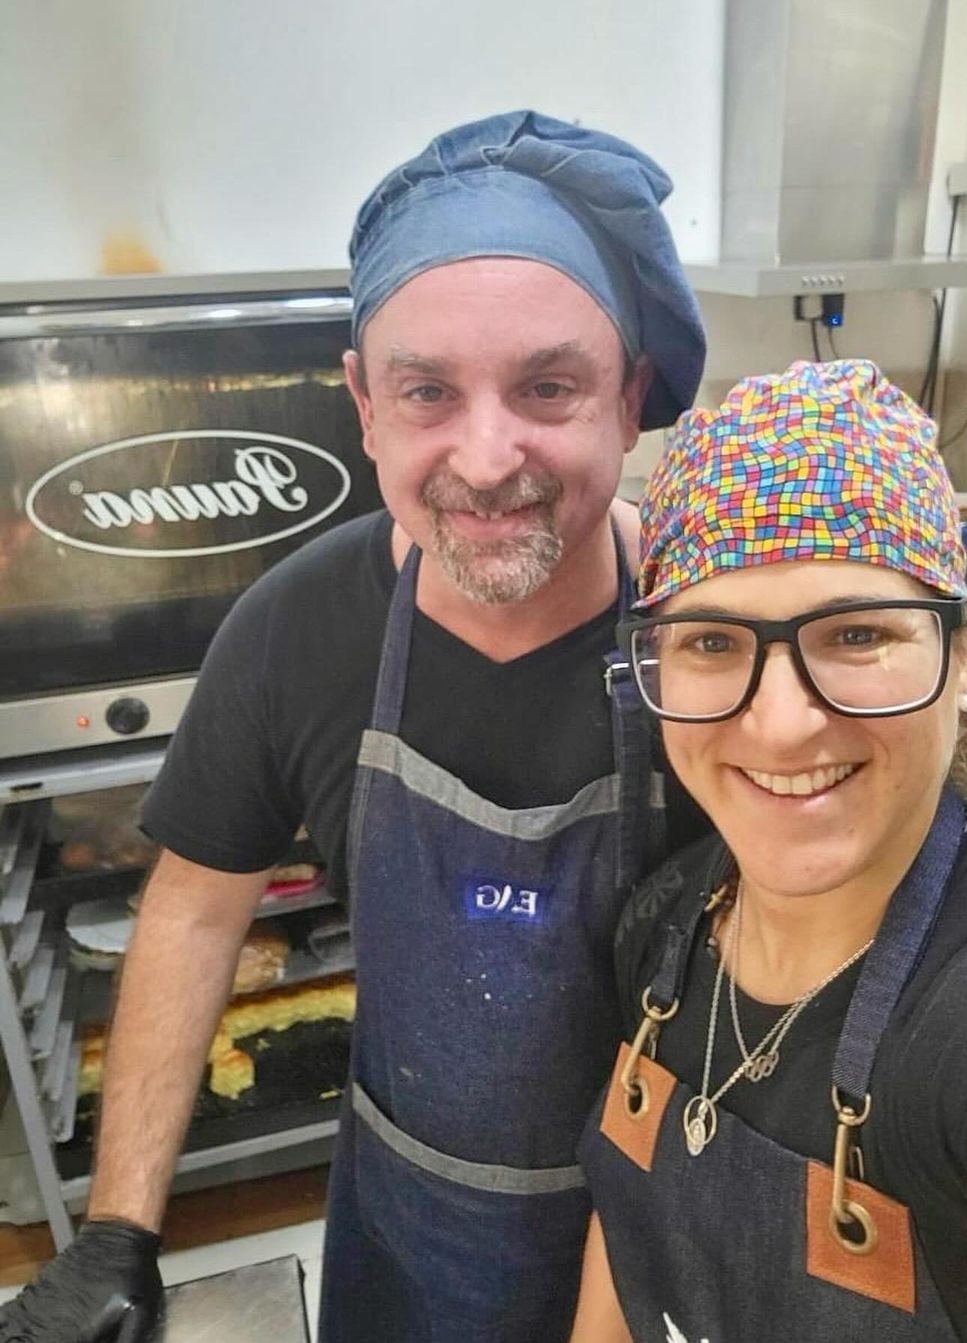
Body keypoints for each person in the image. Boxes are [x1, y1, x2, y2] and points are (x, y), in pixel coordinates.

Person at [0, 111, 707, 1342]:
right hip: (407, 1235)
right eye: (427, 391)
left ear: (631, 398)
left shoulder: (717, 629)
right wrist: (118, 1227)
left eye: (548, 385)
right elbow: (192, 904)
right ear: (364, 407)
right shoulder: (296, 631)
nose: (487, 459)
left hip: (668, 1233)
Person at [570, 359, 967, 1343]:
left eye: (854, 632)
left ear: (961, 652)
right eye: (714, 642)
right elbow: (623, 1247)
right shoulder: (669, 921)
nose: (782, 723)